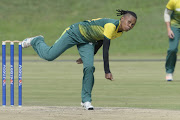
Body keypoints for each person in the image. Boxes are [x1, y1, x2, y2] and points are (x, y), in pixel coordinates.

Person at [22, 9, 137, 110]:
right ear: (122, 19)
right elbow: (105, 50)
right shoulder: (111, 26)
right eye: (129, 22)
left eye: (133, 25)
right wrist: (107, 71)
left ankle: (86, 100)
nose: (130, 26)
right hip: (75, 32)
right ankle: (37, 41)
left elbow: (100, 41)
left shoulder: (119, 33)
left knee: (89, 67)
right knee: (49, 55)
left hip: (88, 42)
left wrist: (87, 54)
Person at [164, 0, 180, 81]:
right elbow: (166, 13)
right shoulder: (174, 1)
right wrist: (169, 29)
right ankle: (169, 72)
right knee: (172, 49)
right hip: (175, 26)